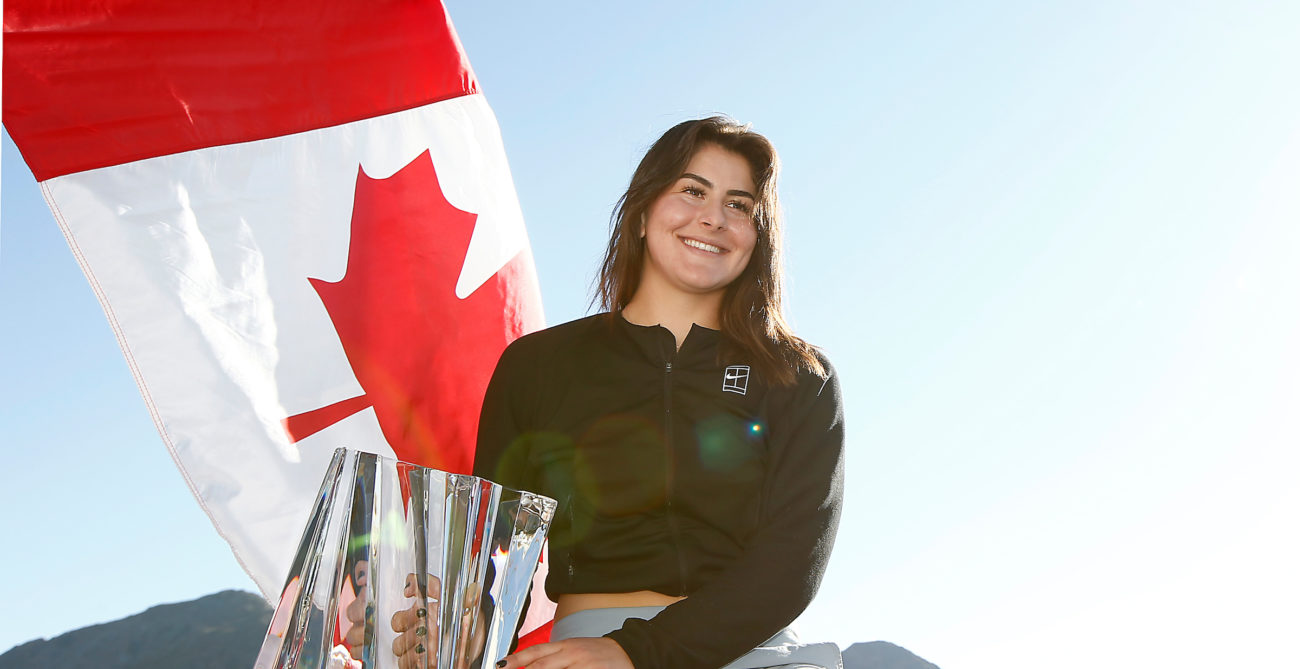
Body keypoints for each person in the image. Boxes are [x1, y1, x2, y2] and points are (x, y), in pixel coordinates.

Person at [472, 116, 845, 669]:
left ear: (757, 237)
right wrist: (451, 623)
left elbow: (793, 563)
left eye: (740, 205)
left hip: (756, 654)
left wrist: (635, 652)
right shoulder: (538, 366)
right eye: (692, 190)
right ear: (644, 212)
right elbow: (495, 558)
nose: (713, 217)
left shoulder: (798, 376)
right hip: (584, 654)